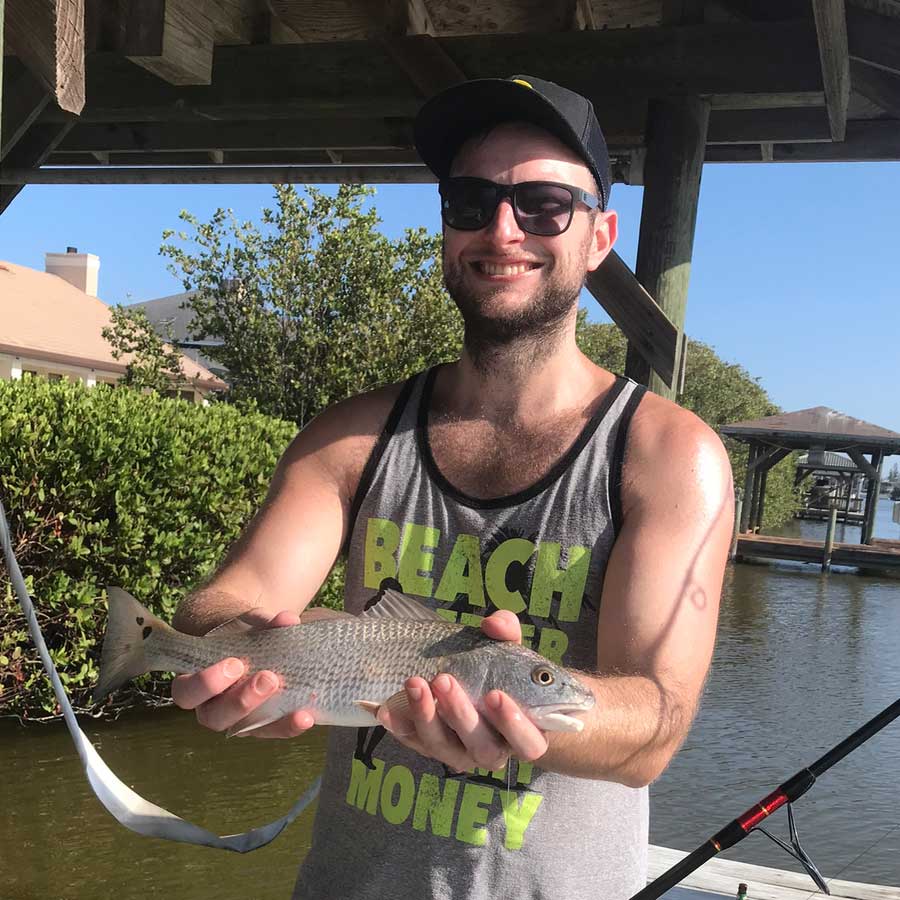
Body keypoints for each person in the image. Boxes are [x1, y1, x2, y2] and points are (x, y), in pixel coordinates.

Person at [170, 75, 733, 899]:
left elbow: (655, 726)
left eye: (544, 204)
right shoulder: (349, 436)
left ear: (600, 236)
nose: (502, 229)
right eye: (470, 201)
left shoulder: (671, 456)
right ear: (445, 228)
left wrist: (507, 699)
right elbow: (215, 608)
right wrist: (305, 652)